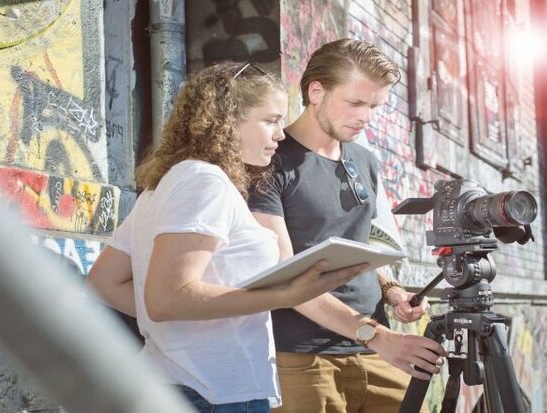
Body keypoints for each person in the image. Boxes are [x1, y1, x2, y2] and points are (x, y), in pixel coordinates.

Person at [86, 62, 368, 413]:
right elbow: (165, 299)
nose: (281, 134)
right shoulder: (203, 181)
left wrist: (190, 325)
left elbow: (105, 281)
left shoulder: (168, 184)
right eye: (271, 120)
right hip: (212, 395)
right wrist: (284, 295)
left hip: (187, 387)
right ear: (228, 121)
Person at [247, 39, 447, 413]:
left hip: (375, 350)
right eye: (355, 103)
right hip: (300, 358)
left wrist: (393, 291)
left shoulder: (366, 161)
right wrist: (378, 337)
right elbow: (284, 275)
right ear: (316, 91)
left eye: (374, 106)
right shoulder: (268, 162)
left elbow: (369, 240)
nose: (365, 117)